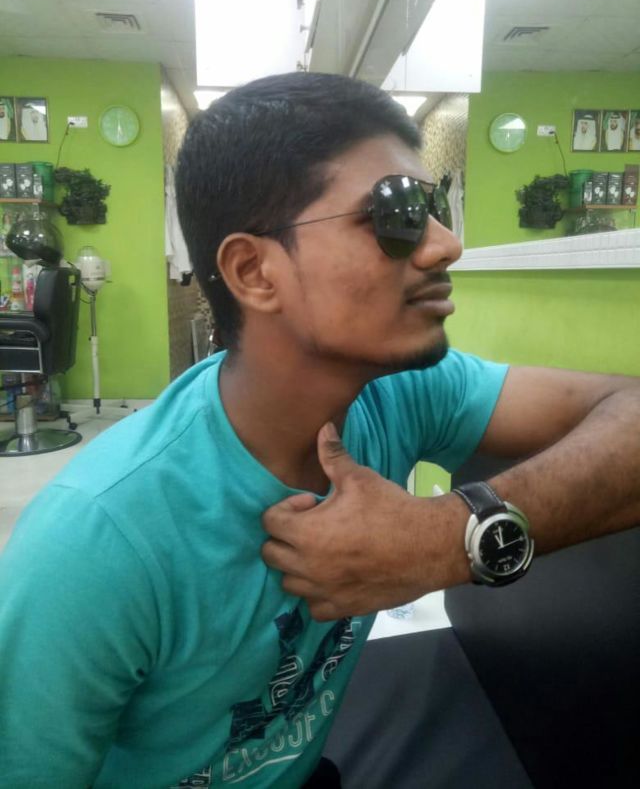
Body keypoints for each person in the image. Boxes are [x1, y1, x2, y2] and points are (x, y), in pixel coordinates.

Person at [0, 72, 638, 788]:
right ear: (254, 271)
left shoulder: (401, 392)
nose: (445, 245)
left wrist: (444, 537)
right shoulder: (93, 546)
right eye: (397, 213)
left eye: (432, 208)